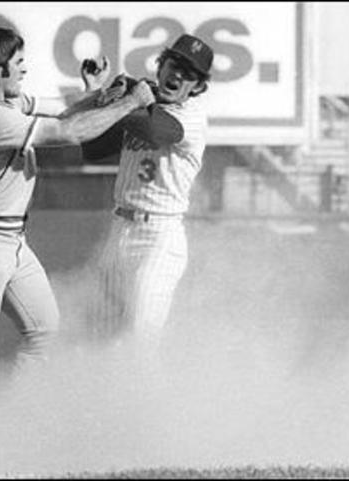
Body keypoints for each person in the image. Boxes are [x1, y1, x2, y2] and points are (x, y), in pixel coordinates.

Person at [0, 25, 155, 410]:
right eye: (19, 62)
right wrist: (130, 102)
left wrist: (95, 91)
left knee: (45, 331)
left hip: (7, 240)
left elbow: (62, 114)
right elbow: (71, 133)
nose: (25, 69)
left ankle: (13, 417)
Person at [80, 34, 213, 358]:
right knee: (102, 336)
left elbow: (156, 130)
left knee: (139, 340)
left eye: (189, 74)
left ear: (196, 87)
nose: (178, 75)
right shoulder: (142, 105)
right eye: (174, 64)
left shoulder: (191, 115)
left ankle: (145, 407)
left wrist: (118, 97)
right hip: (120, 230)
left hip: (159, 237)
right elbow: (93, 148)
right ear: (161, 64)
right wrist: (99, 93)